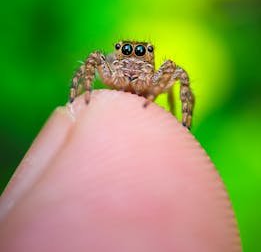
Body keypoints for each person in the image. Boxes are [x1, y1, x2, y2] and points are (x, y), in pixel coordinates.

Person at [0, 90, 242, 251]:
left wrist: (178, 121)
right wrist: (76, 98)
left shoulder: (156, 75)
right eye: (126, 52)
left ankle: (181, 126)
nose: (133, 59)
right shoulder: (108, 65)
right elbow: (93, 60)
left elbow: (176, 80)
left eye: (141, 54)